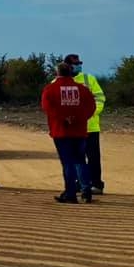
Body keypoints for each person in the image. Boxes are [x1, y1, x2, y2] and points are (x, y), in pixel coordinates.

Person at [41, 62, 97, 203]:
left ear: (57, 73)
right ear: (71, 72)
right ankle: (86, 192)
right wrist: (79, 119)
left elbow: (48, 108)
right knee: (80, 160)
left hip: (61, 131)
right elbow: (92, 107)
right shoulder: (83, 90)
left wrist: (64, 119)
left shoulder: (50, 89)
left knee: (67, 163)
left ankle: (70, 193)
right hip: (79, 131)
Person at [63, 53, 106, 194]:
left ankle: (96, 184)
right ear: (67, 66)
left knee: (93, 157)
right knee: (74, 158)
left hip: (90, 126)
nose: (79, 66)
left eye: (80, 63)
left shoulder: (89, 79)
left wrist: (92, 113)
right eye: (76, 64)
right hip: (71, 128)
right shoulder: (59, 82)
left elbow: (100, 98)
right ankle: (78, 183)